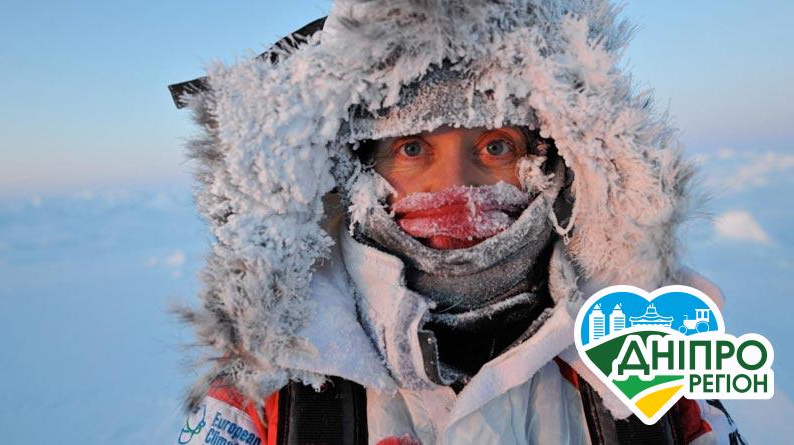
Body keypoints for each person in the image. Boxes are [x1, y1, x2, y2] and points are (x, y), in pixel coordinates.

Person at [170, 1, 745, 444]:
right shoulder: (271, 377)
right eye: (414, 149)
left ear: (553, 161)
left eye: (495, 146)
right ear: (357, 170)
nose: (456, 187)